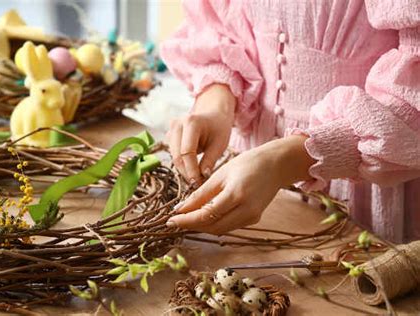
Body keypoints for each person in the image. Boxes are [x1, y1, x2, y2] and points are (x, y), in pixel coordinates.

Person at [160, 0, 420, 242]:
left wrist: (284, 161)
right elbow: (218, 22)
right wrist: (216, 104)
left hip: (368, 185)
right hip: (245, 163)